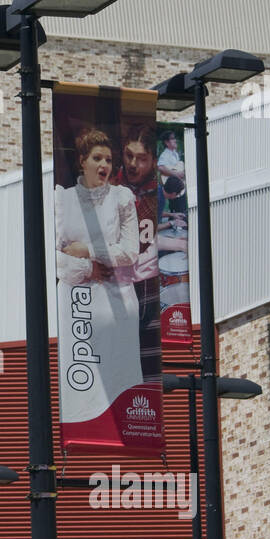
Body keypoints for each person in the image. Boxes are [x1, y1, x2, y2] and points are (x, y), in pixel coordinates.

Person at [55, 128, 143, 427]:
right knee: (80, 378)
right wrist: (87, 268)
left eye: (108, 159)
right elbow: (53, 257)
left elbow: (130, 252)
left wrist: (85, 249)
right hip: (77, 302)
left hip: (118, 303)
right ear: (83, 161)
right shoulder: (62, 200)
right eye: (97, 158)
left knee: (121, 383)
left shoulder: (121, 198)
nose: (104, 165)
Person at [114, 123, 161, 380]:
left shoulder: (159, 193)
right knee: (115, 360)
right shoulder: (109, 184)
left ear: (153, 160)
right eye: (129, 155)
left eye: (141, 158)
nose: (133, 163)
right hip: (115, 285)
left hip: (149, 284)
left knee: (148, 364)